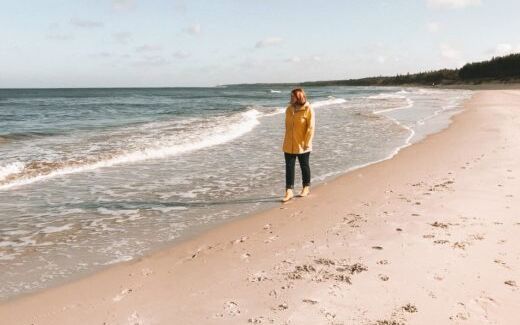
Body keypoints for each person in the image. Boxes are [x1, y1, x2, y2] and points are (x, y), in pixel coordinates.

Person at [282, 88, 315, 202]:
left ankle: (306, 187)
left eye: (293, 96)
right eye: (290, 96)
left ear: (299, 97)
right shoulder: (288, 109)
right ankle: (289, 191)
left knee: (304, 165)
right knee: (289, 167)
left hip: (303, 144)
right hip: (289, 143)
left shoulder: (308, 109)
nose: (291, 98)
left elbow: (311, 128)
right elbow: (287, 126)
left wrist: (307, 142)